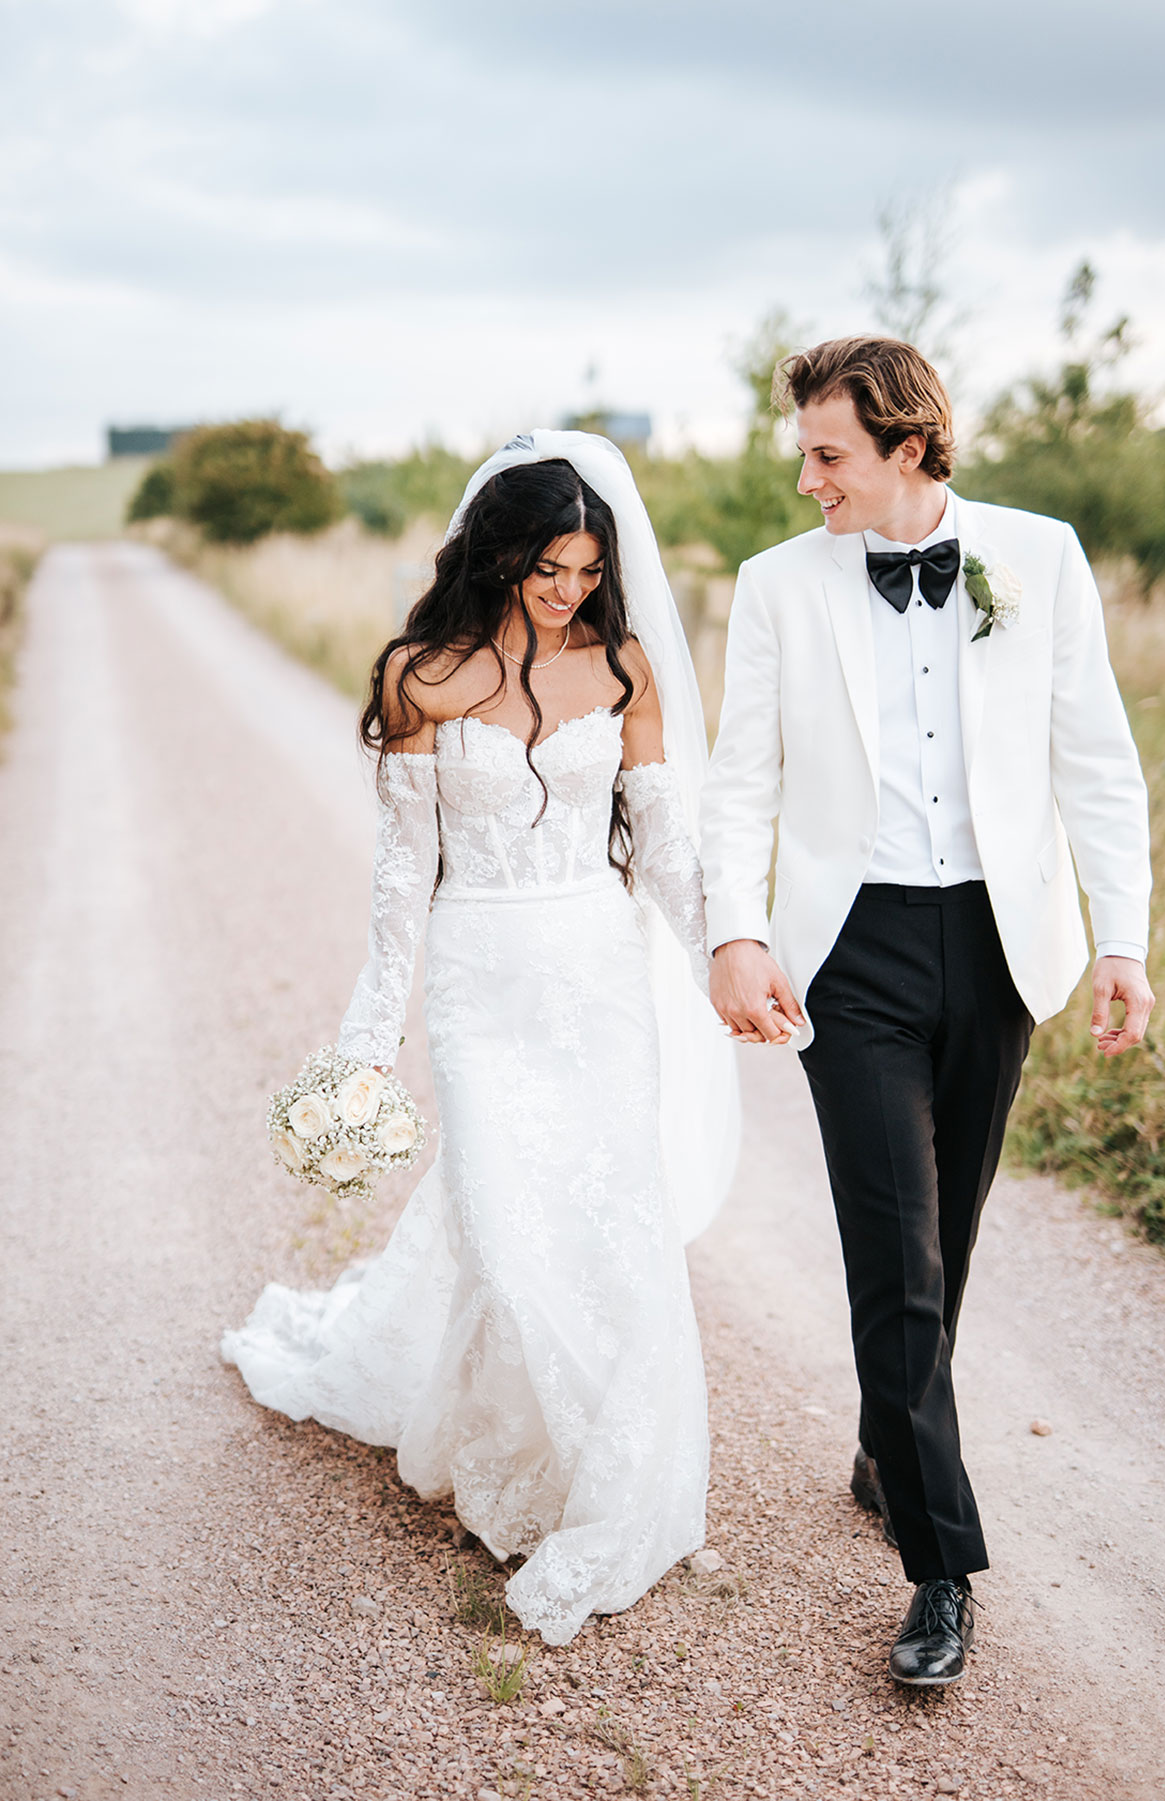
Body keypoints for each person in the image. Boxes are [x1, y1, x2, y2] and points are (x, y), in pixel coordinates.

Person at [223, 431, 738, 1647]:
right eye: (547, 568)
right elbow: (402, 881)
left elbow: (664, 849)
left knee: (612, 1231)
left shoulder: (623, 669)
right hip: (479, 978)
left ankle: (613, 1484)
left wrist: (729, 952)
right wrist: (368, 1036)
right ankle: (516, 1461)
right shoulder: (424, 675)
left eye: (586, 570)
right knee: (507, 1244)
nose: (568, 591)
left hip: (600, 978)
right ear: (497, 555)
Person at [700, 337, 1152, 1686]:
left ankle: (886, 1442)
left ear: (907, 447)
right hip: (856, 954)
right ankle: (941, 1569)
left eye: (827, 453)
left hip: (1002, 944)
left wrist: (1122, 938)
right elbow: (742, 780)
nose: (806, 478)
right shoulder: (777, 586)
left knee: (944, 1244)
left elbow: (1096, 758)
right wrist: (736, 929)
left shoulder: (1043, 556)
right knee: (891, 1249)